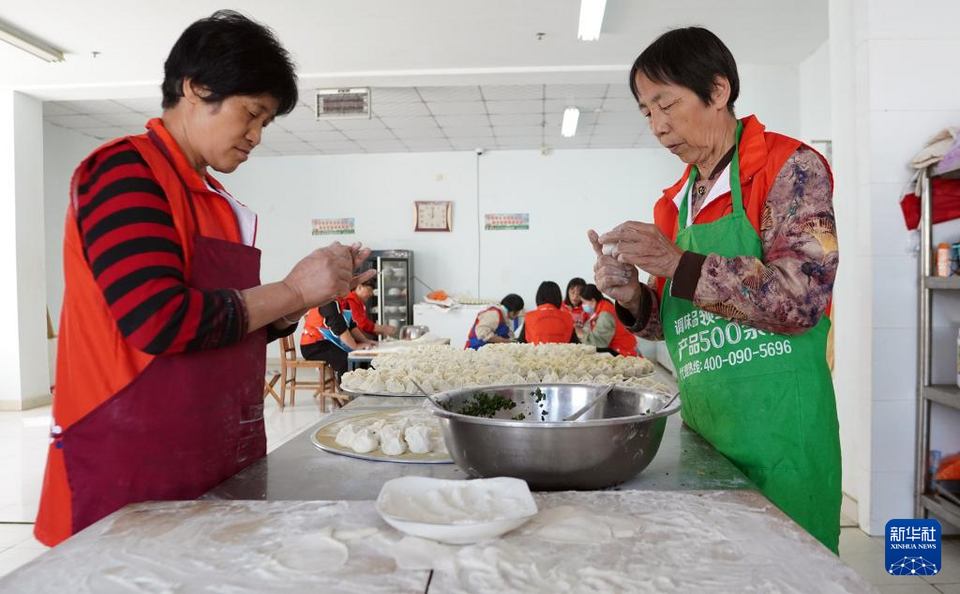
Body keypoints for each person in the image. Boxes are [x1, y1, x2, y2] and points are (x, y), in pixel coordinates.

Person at [34, 11, 375, 547]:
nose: (258, 136)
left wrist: (300, 302)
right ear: (195, 88)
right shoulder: (127, 173)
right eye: (252, 113)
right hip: (133, 467)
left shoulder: (216, 202)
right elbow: (159, 322)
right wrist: (292, 290)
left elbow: (224, 327)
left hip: (210, 455)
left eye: (266, 122)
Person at [589, 27, 840, 552]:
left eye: (668, 105)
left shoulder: (788, 168)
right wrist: (632, 296)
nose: (658, 127)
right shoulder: (674, 203)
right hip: (709, 432)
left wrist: (679, 262)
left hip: (780, 432)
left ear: (718, 91)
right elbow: (675, 320)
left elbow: (801, 301)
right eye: (646, 113)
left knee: (790, 571)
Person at [300, 299, 376, 376]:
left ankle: (363, 382)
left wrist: (365, 341)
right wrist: (355, 346)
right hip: (313, 346)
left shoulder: (344, 302)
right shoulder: (327, 302)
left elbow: (351, 326)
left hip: (328, 342)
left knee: (360, 355)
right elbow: (339, 329)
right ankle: (345, 387)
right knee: (345, 360)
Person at [576, 284, 638, 357]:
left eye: (584, 302)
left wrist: (581, 334)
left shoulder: (605, 314)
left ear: (593, 300)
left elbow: (600, 342)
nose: (583, 305)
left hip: (623, 352)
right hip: (618, 350)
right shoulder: (602, 307)